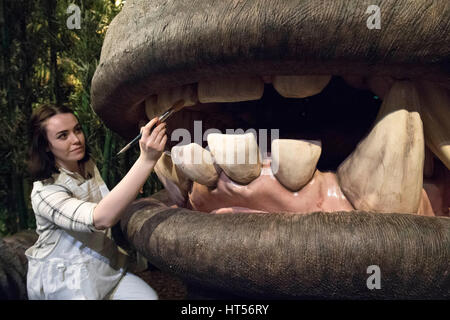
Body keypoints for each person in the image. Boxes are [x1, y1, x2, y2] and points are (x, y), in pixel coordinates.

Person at [25, 104, 167, 300]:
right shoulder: (45, 192)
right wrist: (147, 159)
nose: (76, 140)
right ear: (46, 146)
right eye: (62, 136)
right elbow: (101, 218)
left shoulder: (87, 165)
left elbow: (106, 202)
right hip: (66, 283)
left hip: (105, 270)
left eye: (77, 130)